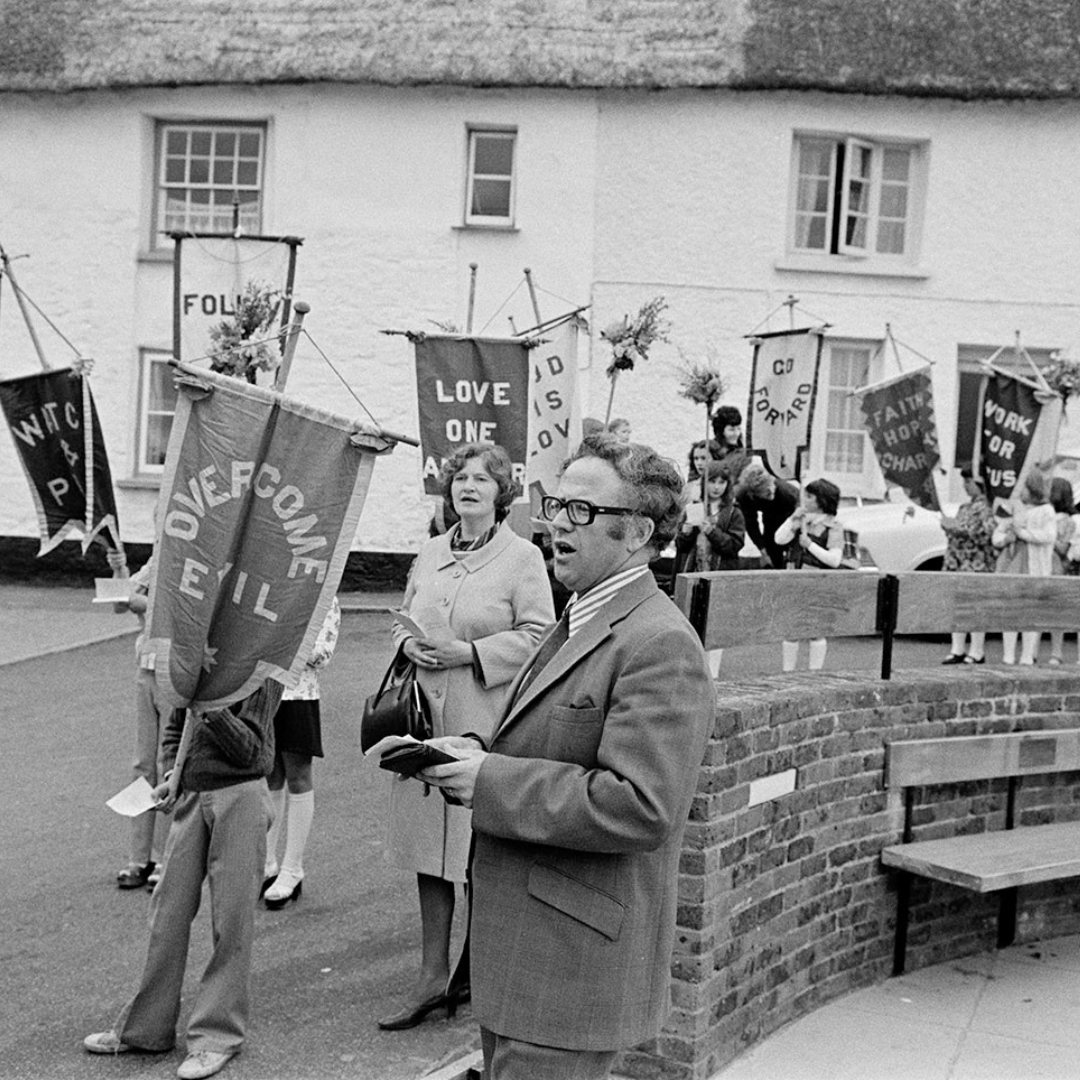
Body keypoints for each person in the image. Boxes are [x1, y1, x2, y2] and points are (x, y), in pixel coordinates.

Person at [419, 434, 715, 1080]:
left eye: (582, 511)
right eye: (556, 504)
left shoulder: (660, 643)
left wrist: (490, 782)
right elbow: (552, 742)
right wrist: (476, 755)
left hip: (570, 969)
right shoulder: (579, 615)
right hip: (529, 955)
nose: (556, 523)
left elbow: (641, 806)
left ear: (636, 533)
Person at [379, 442, 554, 1031]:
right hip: (424, 718)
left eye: (483, 479)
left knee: (479, 851)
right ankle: (433, 977)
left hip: (484, 721)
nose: (468, 486)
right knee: (429, 850)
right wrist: (408, 643)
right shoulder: (430, 551)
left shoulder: (522, 558)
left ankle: (480, 973)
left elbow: (540, 636)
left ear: (501, 494)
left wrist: (470, 652)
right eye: (460, 478)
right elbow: (403, 615)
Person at [84, 680, 284, 1080]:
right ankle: (146, 1028)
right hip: (192, 795)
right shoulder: (199, 660)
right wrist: (174, 774)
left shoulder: (261, 658)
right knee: (167, 913)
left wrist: (211, 710)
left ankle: (217, 1037)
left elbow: (253, 751)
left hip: (241, 796)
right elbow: (175, 727)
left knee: (231, 923)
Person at [262, 596, 340, 909]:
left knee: (297, 777)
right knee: (269, 775)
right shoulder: (279, 586)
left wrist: (283, 638)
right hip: (265, 695)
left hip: (299, 695)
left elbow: (322, 654)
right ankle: (266, 863)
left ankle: (292, 868)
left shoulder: (325, 597)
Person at [107, 546, 170, 892]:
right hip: (144, 671)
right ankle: (139, 856)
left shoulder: (190, 563)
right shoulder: (155, 562)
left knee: (168, 761)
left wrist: (142, 603)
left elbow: (181, 612)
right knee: (143, 763)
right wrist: (119, 570)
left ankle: (166, 855)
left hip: (174, 671)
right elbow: (120, 601)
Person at [774, 478, 844, 672]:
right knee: (792, 627)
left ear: (821, 500)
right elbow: (779, 539)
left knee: (816, 629)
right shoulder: (800, 522)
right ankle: (787, 672)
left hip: (818, 583)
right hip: (794, 579)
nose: (804, 500)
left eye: (809, 496)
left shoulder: (833, 527)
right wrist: (791, 520)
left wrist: (810, 545)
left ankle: (815, 672)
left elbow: (834, 560)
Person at [993, 469, 1056, 665]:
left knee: (1030, 612)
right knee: (1010, 610)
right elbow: (997, 535)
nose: (1020, 492)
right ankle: (1008, 655)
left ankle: (1028, 655)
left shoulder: (1046, 511)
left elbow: (1048, 536)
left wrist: (1022, 533)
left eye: (1024, 487)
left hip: (1034, 566)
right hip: (1011, 563)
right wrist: (1006, 538)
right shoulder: (1013, 508)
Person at [939, 468, 995, 665]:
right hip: (959, 562)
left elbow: (987, 534)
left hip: (977, 564)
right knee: (959, 607)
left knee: (976, 609)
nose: (965, 486)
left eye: (969, 482)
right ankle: (957, 648)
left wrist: (957, 529)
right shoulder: (964, 508)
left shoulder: (987, 508)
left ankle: (977, 650)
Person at [674, 459, 746, 574]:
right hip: (693, 571)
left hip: (720, 574)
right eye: (712, 481)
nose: (717, 487)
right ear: (704, 482)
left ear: (727, 484)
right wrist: (686, 533)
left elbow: (734, 547)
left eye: (721, 482)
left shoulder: (734, 512)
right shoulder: (695, 507)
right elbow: (681, 547)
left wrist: (711, 532)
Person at [734, 457, 800, 569]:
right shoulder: (743, 495)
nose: (771, 492)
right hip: (768, 516)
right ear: (753, 494)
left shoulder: (788, 493)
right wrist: (763, 551)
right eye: (766, 492)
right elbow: (751, 525)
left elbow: (796, 523)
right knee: (770, 545)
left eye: (772, 487)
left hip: (787, 513)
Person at [1046, 476, 1076, 665]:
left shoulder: (1067, 521)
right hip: (1044, 564)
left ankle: (1056, 652)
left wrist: (1047, 535)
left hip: (1057, 567)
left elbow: (1063, 548)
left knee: (1057, 614)